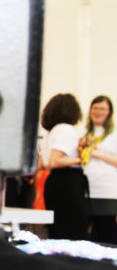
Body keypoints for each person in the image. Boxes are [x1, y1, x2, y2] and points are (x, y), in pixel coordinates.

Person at [38, 93, 89, 240]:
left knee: (58, 229)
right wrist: (80, 160)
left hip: (54, 182)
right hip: (67, 183)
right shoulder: (66, 129)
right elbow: (55, 161)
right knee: (73, 230)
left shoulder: (50, 132)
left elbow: (43, 163)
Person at [80, 95, 117, 243]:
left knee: (105, 234)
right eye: (95, 108)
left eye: (102, 108)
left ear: (109, 112)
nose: (98, 111)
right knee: (84, 236)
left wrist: (96, 153)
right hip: (84, 190)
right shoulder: (84, 134)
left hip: (106, 192)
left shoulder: (114, 135)